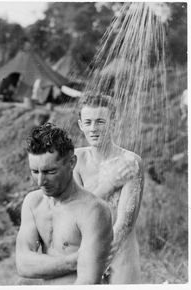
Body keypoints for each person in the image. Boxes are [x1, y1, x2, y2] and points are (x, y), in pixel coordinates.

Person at [16, 123, 113, 285]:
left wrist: (40, 263)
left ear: (72, 163)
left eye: (50, 172)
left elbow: (88, 281)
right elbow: (23, 265)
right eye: (35, 171)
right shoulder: (33, 203)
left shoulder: (94, 211)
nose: (41, 181)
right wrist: (74, 261)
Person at [74, 94, 144, 284]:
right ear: (80, 125)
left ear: (114, 122)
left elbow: (125, 223)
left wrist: (104, 256)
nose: (93, 129)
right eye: (88, 122)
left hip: (121, 252)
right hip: (83, 249)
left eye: (100, 122)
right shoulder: (76, 160)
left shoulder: (130, 162)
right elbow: (74, 213)